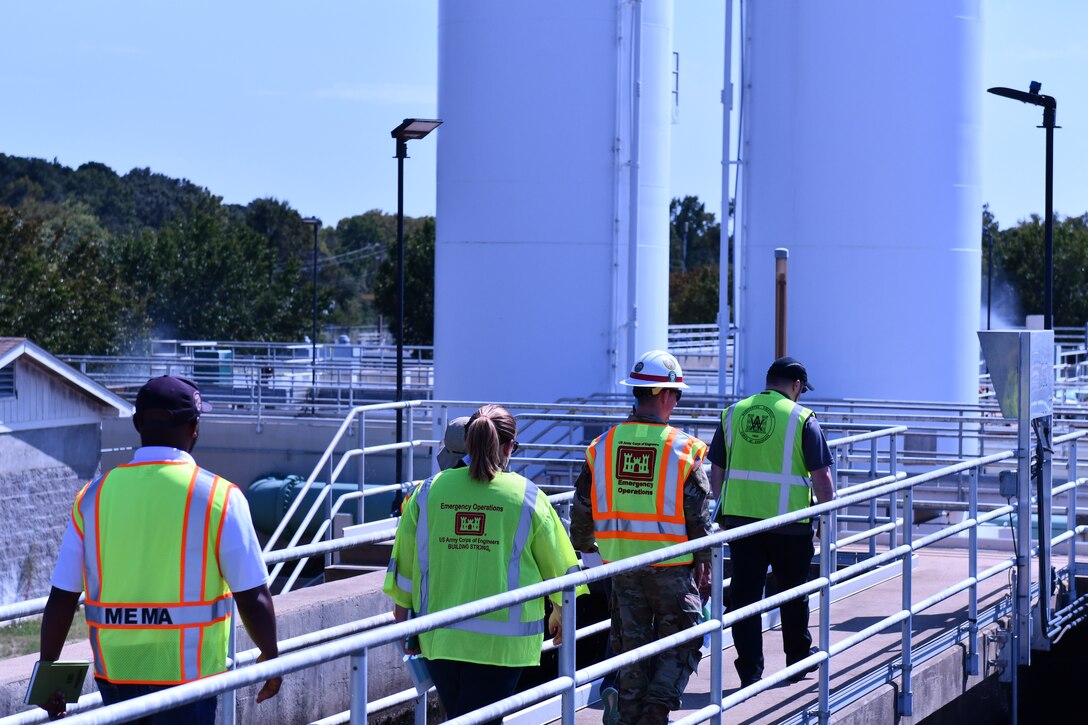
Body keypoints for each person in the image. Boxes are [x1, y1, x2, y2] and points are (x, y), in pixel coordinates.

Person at [37, 375, 281, 723]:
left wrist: (48, 675)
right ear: (194, 426)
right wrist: (271, 657)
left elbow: (62, 596)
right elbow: (253, 596)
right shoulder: (220, 498)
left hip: (116, 678)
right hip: (188, 680)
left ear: (137, 424)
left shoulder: (93, 497)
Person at [383, 404, 586, 725]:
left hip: (439, 638)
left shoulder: (426, 492)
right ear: (507, 447)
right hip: (504, 645)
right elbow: (563, 571)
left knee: (460, 717)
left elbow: (404, 567)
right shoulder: (527, 497)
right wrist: (561, 613)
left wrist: (404, 617)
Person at [570, 350, 713, 725]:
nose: (677, 402)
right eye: (677, 394)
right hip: (672, 568)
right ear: (665, 395)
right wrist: (706, 565)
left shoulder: (602, 447)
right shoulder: (684, 449)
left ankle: (629, 713)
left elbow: (582, 506)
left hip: (622, 568)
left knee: (632, 648)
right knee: (683, 638)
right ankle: (657, 709)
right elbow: (697, 517)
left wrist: (584, 547)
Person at [708, 356, 836, 688]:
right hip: (790, 524)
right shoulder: (802, 418)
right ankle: (796, 661)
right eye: (801, 390)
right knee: (794, 594)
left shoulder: (732, 413)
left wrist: (724, 510)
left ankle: (749, 672)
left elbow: (716, 470)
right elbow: (822, 477)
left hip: (742, 524)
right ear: (795, 386)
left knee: (744, 599)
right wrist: (825, 516)